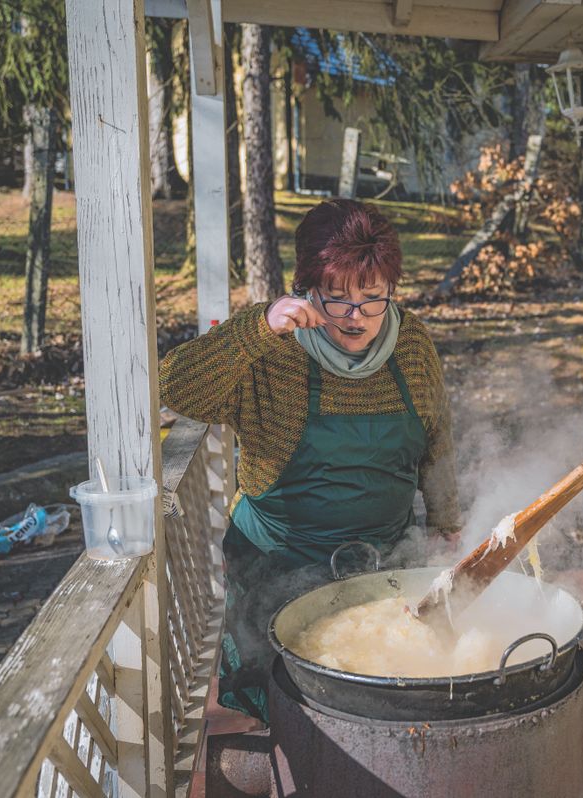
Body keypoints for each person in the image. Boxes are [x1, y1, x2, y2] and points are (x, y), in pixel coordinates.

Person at [160, 199, 460, 722]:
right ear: (306, 288)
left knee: (376, 701)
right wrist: (257, 327)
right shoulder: (274, 347)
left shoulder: (411, 344)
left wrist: (446, 522)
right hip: (277, 566)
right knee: (282, 710)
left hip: (384, 566)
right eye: (337, 298)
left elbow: (437, 439)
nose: (356, 317)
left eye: (372, 297)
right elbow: (175, 387)